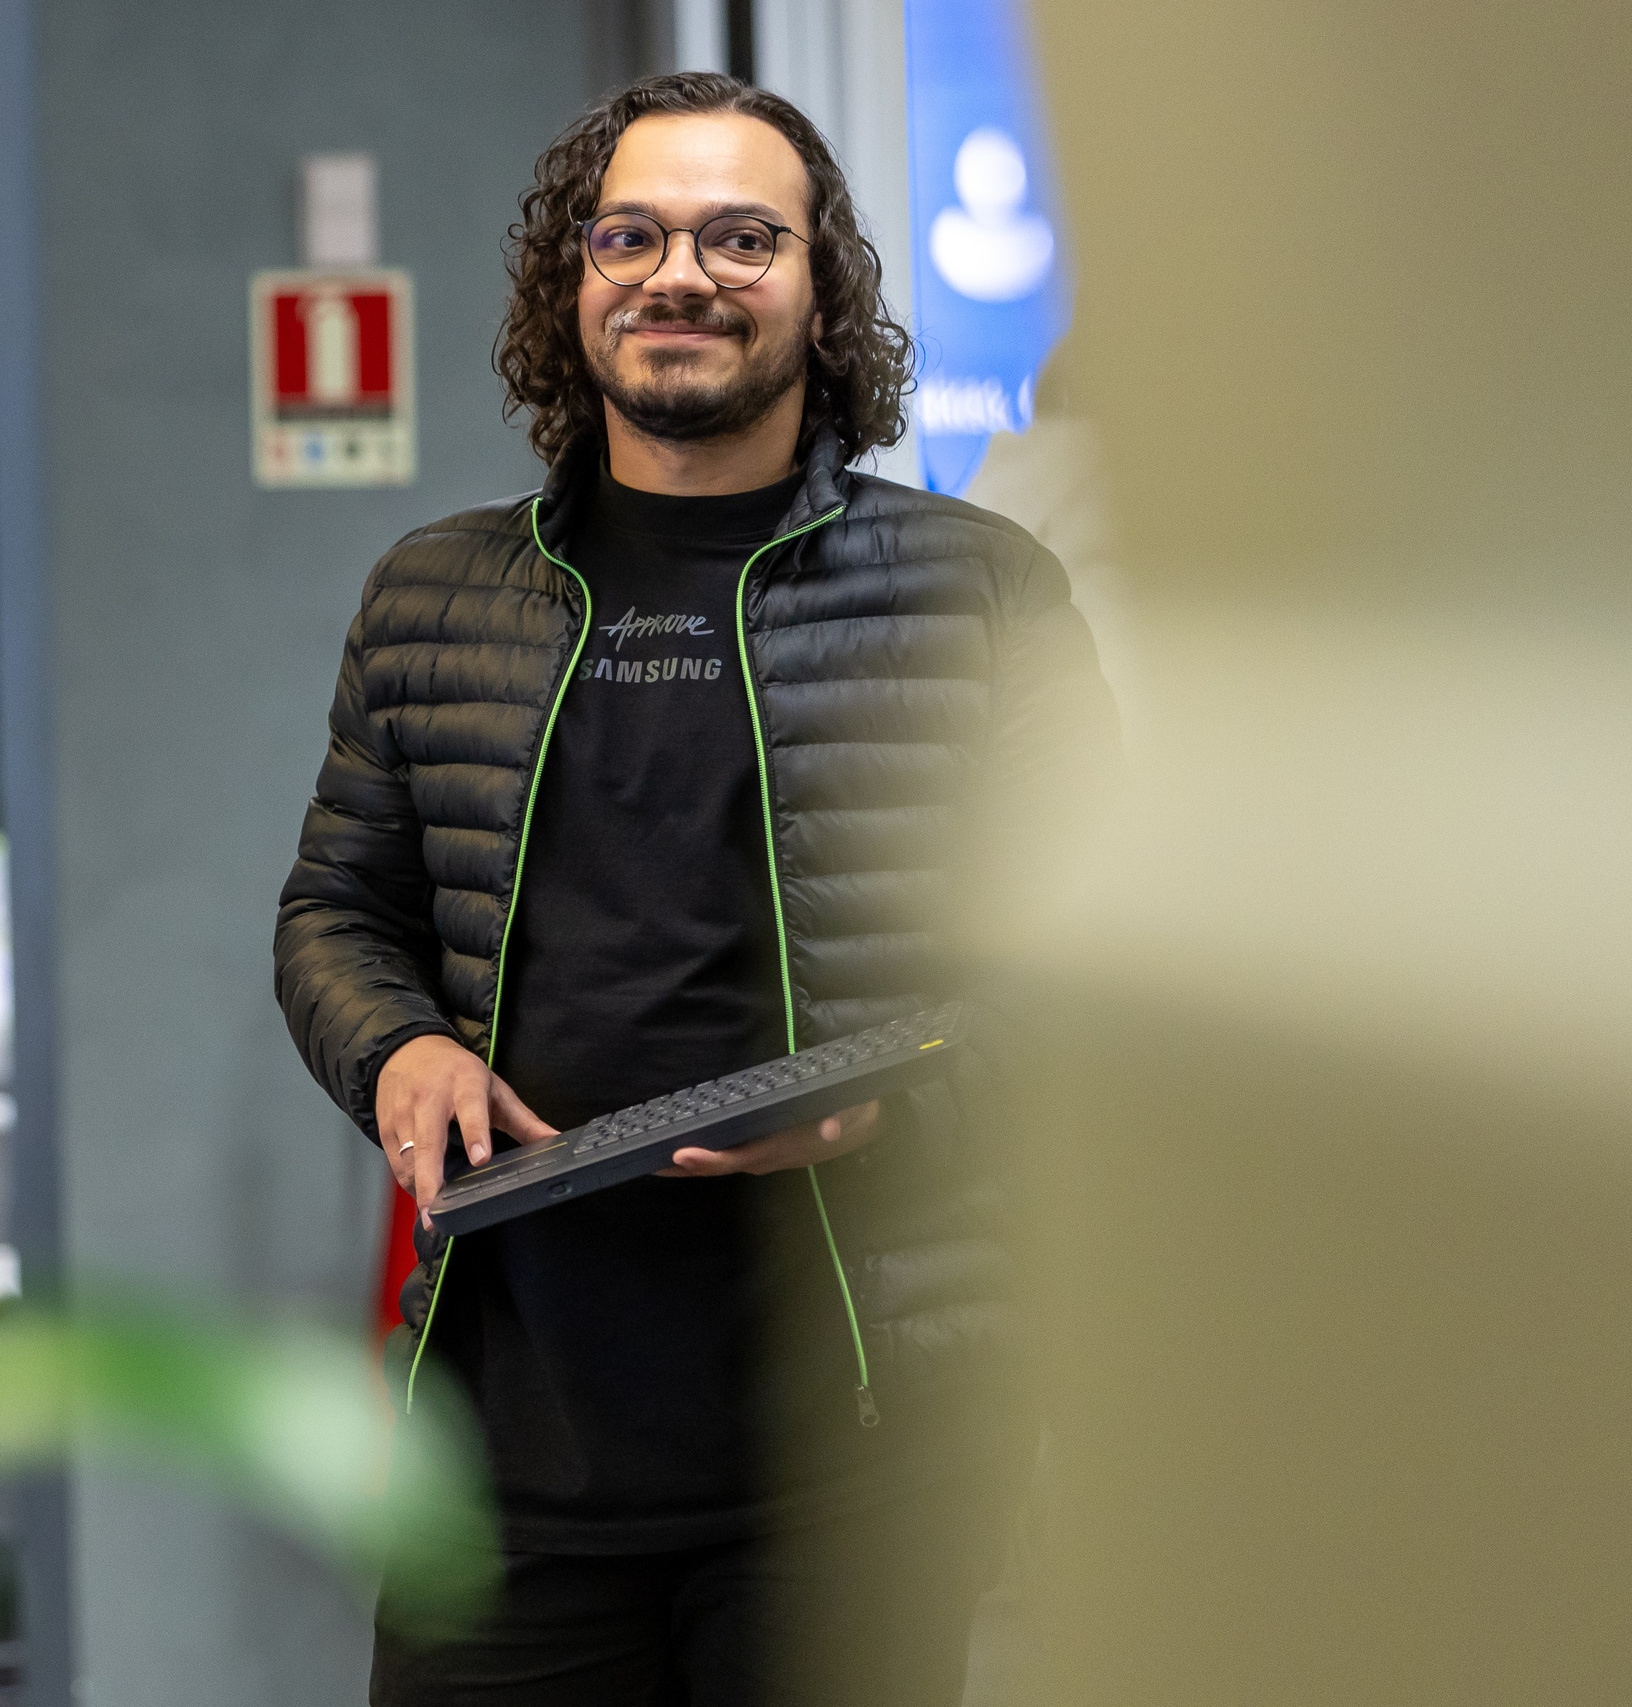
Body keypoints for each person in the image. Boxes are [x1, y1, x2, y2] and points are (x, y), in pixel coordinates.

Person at [273, 71, 1117, 1707]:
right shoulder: (434, 595)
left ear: (821, 288)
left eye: (743, 236)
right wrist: (399, 1054)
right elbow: (334, 915)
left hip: (861, 1455)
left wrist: (903, 1102)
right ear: (569, 283)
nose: (682, 276)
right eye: (632, 236)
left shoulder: (978, 591)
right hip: (506, 1455)